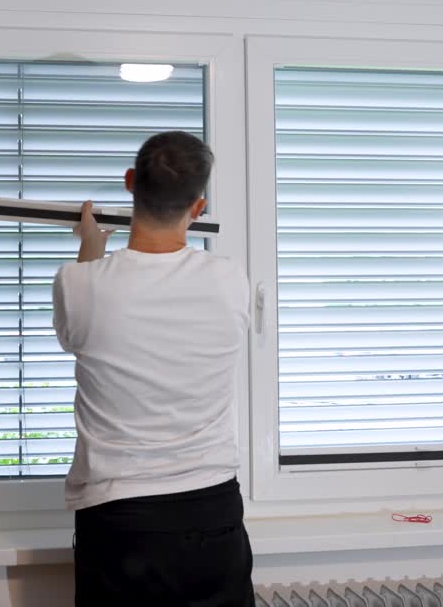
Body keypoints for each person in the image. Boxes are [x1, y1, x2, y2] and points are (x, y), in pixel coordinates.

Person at [52, 131, 254, 606]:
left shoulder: (80, 283)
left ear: (129, 183)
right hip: (212, 509)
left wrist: (90, 248)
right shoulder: (230, 280)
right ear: (199, 207)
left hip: (121, 520)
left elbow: (73, 332)